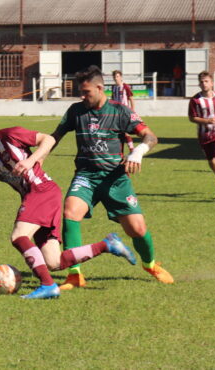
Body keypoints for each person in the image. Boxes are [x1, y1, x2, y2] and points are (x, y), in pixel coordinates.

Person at [0, 112, 137, 299]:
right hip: (34, 197)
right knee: (53, 262)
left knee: (19, 236)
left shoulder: (9, 135)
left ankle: (48, 285)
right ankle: (108, 245)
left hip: (42, 190)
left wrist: (30, 160)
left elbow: (48, 140)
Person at [49, 65, 174, 290]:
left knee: (137, 229)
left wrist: (138, 152)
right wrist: (35, 158)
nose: (82, 96)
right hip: (86, 176)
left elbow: (150, 136)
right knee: (70, 211)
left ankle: (150, 264)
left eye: (86, 92)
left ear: (100, 88)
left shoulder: (120, 111)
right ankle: (75, 274)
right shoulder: (76, 111)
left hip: (116, 178)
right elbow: (54, 137)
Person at [111, 70, 136, 152]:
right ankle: (124, 151)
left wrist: (132, 111)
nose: (116, 78)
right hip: (116, 113)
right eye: (115, 77)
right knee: (119, 132)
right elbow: (113, 99)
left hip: (125, 112)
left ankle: (131, 149)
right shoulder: (113, 87)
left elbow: (131, 98)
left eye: (117, 76)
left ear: (121, 77)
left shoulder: (125, 86)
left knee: (125, 132)